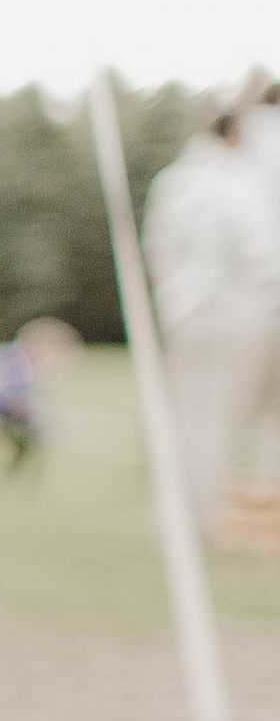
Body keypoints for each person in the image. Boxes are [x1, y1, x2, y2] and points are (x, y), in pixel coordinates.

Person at [142, 102, 280, 534]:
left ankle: (181, 517)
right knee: (236, 419)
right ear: (236, 135)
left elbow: (157, 250)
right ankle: (218, 522)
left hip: (183, 316)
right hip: (239, 317)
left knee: (191, 419)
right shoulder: (243, 184)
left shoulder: (173, 181)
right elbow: (263, 258)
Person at [0, 317, 79, 480]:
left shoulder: (17, 357)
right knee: (30, 441)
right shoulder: (16, 361)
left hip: (8, 407)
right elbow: (10, 391)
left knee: (25, 443)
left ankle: (12, 472)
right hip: (6, 408)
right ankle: (13, 473)